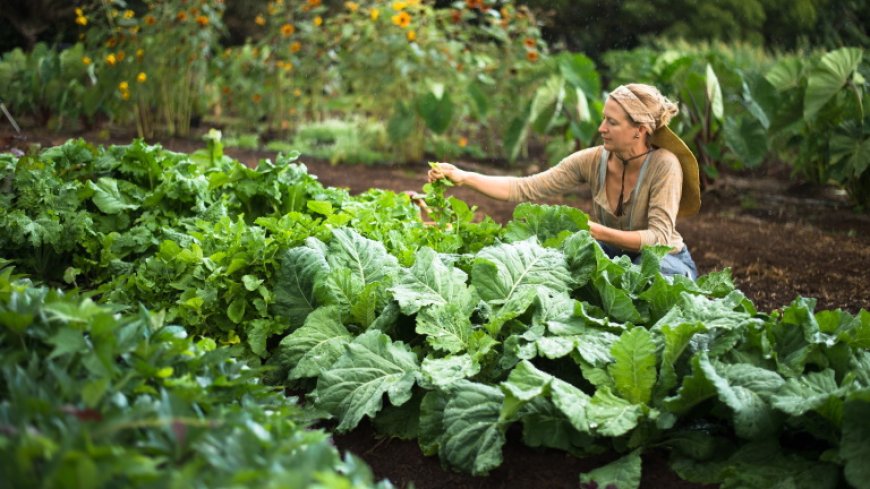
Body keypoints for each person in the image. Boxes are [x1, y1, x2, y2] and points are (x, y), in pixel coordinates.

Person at [427, 83, 701, 279]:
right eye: (604, 118)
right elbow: (525, 187)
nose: (601, 128)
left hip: (665, 261)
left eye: (612, 123)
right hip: (614, 257)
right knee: (550, 265)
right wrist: (463, 177)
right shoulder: (593, 160)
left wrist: (594, 231)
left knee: (648, 282)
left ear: (639, 131)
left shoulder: (665, 165)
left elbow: (659, 238)